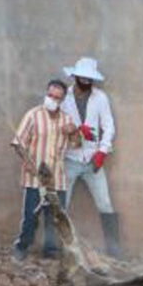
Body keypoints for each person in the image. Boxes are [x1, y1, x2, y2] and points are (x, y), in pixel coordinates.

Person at [60, 57, 121, 258]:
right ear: (75, 76)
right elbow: (57, 125)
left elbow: (108, 125)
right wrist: (77, 130)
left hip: (93, 160)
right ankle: (62, 248)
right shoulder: (64, 97)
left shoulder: (100, 97)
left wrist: (103, 151)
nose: (86, 82)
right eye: (82, 78)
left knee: (105, 203)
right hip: (70, 158)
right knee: (62, 205)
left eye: (89, 79)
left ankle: (113, 248)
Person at [12, 78, 77, 261]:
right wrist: (30, 165)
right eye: (49, 95)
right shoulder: (33, 115)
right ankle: (22, 247)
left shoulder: (67, 120)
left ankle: (51, 251)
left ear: (62, 100)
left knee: (55, 218)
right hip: (35, 178)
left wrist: (74, 131)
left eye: (56, 97)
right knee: (30, 218)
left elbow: (77, 144)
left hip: (57, 178)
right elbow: (18, 143)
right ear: (46, 94)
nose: (52, 99)